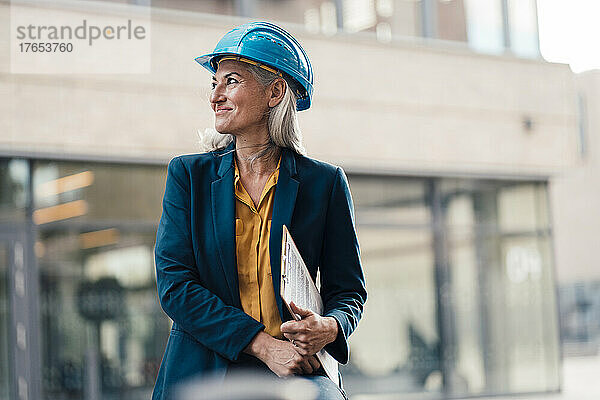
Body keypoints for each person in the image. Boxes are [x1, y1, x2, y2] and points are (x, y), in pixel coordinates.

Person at [152, 22, 367, 400]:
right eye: (213, 83)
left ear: (275, 92)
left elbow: (348, 291)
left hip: (295, 374)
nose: (215, 95)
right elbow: (176, 287)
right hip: (203, 372)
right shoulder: (188, 175)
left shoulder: (325, 183)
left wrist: (331, 327)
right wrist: (265, 347)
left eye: (231, 80)